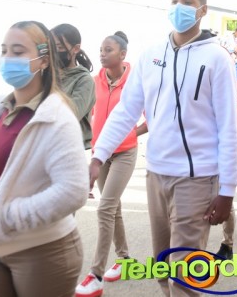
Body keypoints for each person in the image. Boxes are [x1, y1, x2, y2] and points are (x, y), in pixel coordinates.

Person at [89, 0, 237, 296]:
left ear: (202, 10)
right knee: (163, 266)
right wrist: (98, 156)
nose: (179, 6)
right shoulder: (151, 55)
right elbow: (126, 112)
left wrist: (227, 190)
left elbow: (227, 127)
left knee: (182, 275)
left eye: (188, 0)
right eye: (174, 0)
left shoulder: (217, 58)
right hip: (156, 174)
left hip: (196, 178)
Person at [0, 21, 88, 297]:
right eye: (4, 51)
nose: (8, 58)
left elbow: (73, 190)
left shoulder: (56, 116)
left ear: (43, 60)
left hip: (44, 250)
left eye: (18, 51)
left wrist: (10, 216)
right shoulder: (3, 109)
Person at [76, 31, 145, 297]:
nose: (102, 54)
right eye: (101, 50)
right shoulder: (95, 81)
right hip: (100, 154)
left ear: (123, 54)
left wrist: (130, 134)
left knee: (105, 208)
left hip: (125, 153)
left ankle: (95, 274)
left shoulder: (136, 82)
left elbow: (150, 117)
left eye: (108, 50)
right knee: (112, 207)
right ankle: (125, 259)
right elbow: (88, 114)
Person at [216, 78, 237, 260]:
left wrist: (225, 135)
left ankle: (227, 244)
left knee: (225, 196)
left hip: (225, 148)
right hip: (198, 150)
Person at [51, 24, 96, 150]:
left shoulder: (84, 80)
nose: (54, 52)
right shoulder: (46, 75)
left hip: (70, 149)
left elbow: (70, 115)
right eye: (51, 47)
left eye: (59, 47)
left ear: (76, 48)